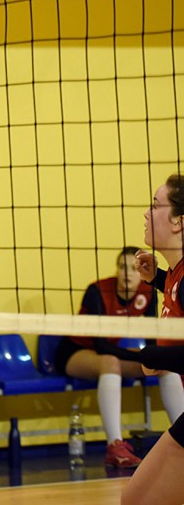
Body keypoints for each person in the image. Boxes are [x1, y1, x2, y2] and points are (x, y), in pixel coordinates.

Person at [53, 246, 178, 468]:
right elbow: (101, 345)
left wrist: (154, 357)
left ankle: (181, 435)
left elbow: (152, 337)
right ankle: (115, 446)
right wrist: (143, 357)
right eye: (122, 267)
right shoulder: (97, 291)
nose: (127, 273)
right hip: (75, 352)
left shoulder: (147, 292)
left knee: (165, 365)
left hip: (109, 352)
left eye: (132, 268)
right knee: (110, 363)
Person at [121, 174, 184, 505]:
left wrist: (152, 356)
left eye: (156, 205)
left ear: (179, 222)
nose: (146, 213)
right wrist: (155, 278)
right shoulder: (176, 272)